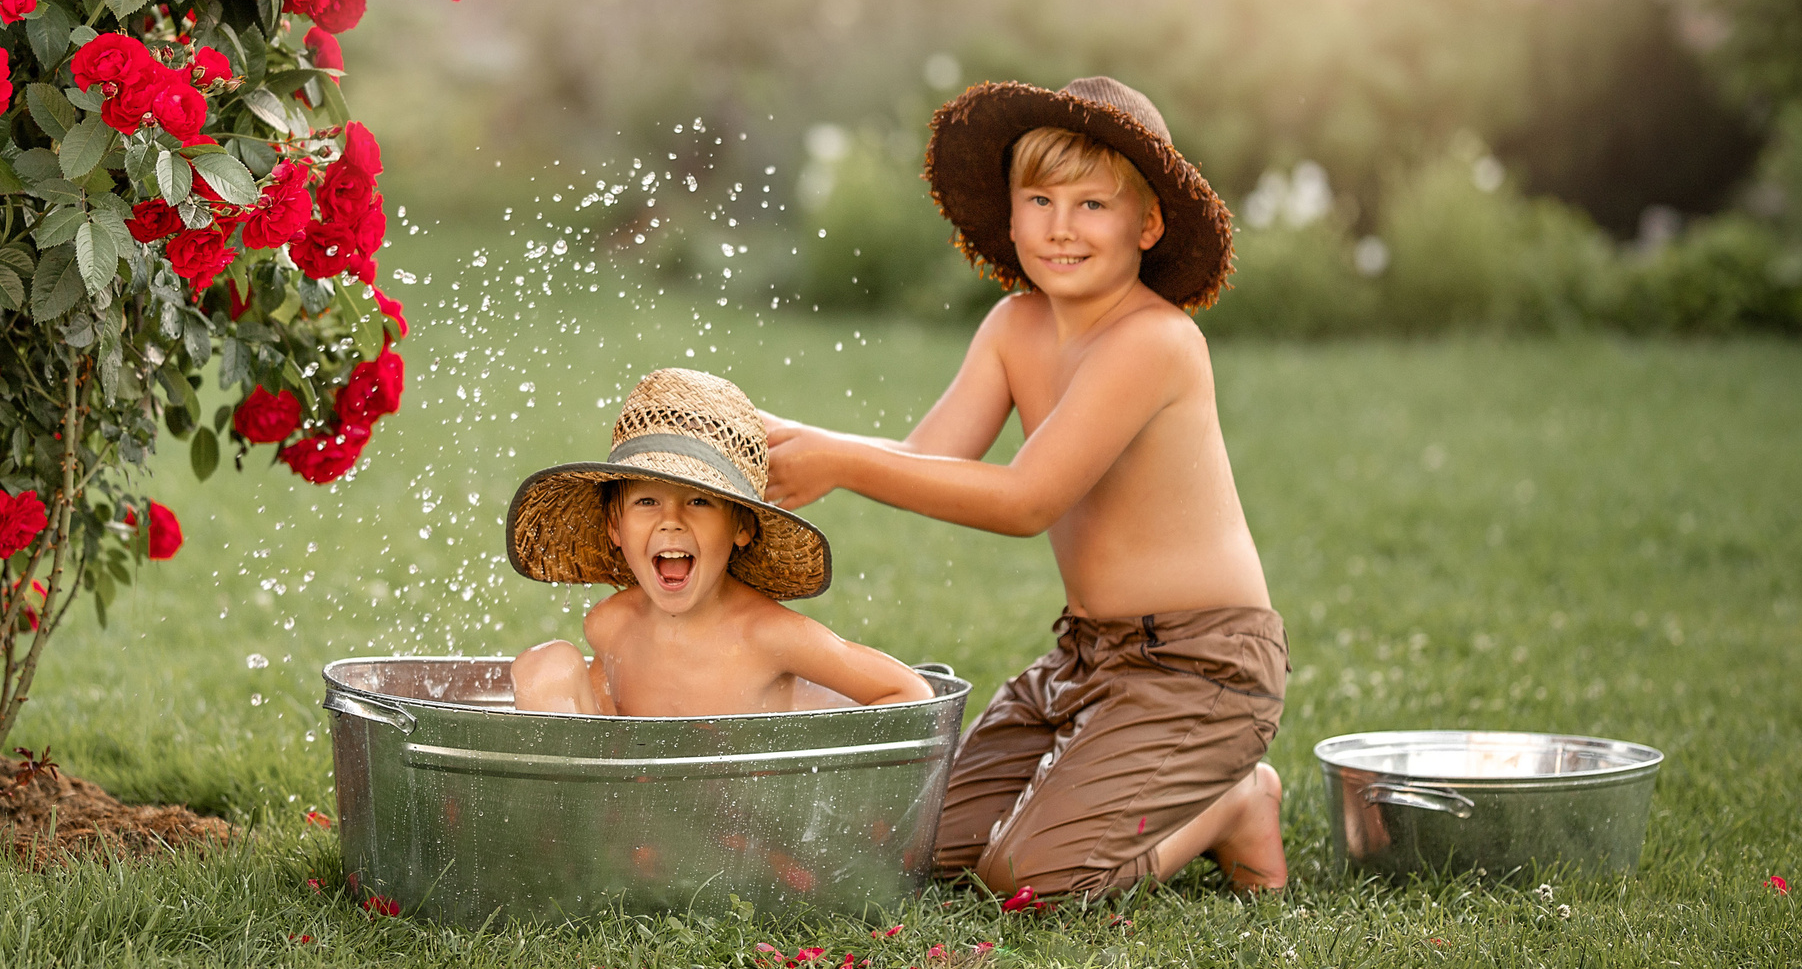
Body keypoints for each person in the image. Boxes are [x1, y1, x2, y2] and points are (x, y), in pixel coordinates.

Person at [762, 77, 1289, 901]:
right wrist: (790, 438)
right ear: (1010, 215)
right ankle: (1097, 767)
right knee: (920, 848)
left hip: (1200, 664)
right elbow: (928, 456)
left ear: (1147, 222)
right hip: (1086, 655)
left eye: (1092, 204)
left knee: (1027, 879)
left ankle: (1233, 800)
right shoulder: (1016, 327)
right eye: (1039, 199)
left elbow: (1025, 499)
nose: (1060, 227)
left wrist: (839, 459)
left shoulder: (1155, 340)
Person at [504, 367, 933, 717]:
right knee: (548, 665)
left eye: (698, 501)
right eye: (648, 501)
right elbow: (604, 731)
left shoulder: (772, 636)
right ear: (615, 526)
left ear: (742, 527)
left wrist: (816, 777)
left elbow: (909, 692)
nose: (671, 521)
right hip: (634, 814)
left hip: (748, 819)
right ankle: (562, 819)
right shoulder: (613, 626)